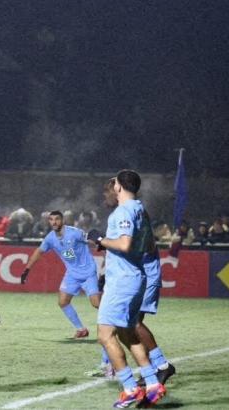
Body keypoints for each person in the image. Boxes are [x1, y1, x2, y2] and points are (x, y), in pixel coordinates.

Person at [87, 170, 166, 408]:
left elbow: (124, 243)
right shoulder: (139, 209)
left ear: (119, 186)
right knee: (126, 332)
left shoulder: (123, 211)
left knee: (104, 335)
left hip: (122, 280)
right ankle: (152, 383)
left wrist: (100, 240)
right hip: (133, 277)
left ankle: (130, 388)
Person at [22, 210, 100, 339]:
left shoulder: (74, 233)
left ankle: (117, 322)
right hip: (72, 274)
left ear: (62, 220)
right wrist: (27, 269)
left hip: (88, 273)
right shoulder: (50, 238)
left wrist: (102, 243)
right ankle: (81, 329)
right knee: (63, 302)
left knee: (96, 304)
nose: (54, 222)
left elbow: (91, 240)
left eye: (57, 219)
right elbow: (39, 252)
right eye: (51, 219)